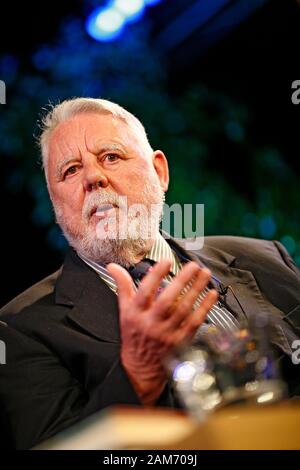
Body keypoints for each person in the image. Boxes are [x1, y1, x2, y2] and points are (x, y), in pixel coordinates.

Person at [0, 98, 299, 450]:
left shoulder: (262, 258)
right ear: (56, 204)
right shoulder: (20, 328)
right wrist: (137, 375)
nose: (94, 177)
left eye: (111, 156)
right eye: (70, 170)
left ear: (159, 172)